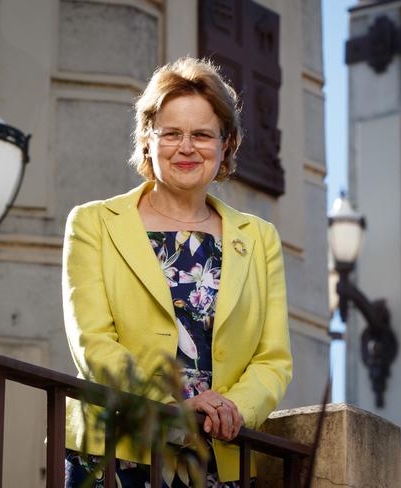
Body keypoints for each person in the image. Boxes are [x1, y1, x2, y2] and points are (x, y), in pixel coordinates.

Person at [62, 57, 292, 487]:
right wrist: (174, 405)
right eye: (171, 133)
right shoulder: (93, 223)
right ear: (148, 139)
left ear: (227, 144)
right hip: (119, 450)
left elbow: (272, 358)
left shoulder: (260, 238)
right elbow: (92, 342)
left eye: (202, 135)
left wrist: (231, 410)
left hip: (217, 456)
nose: (186, 148)